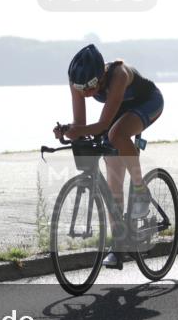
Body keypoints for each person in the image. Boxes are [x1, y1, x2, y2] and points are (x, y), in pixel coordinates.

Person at [53, 44, 164, 269]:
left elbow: (103, 124)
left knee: (115, 134)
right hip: (120, 111)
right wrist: (67, 129)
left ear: (101, 76)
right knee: (113, 184)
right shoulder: (78, 82)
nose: (86, 93)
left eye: (91, 86)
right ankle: (120, 244)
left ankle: (141, 189)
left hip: (148, 102)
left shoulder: (119, 74)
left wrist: (79, 131)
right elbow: (81, 125)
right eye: (80, 88)